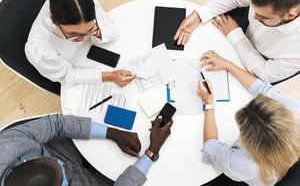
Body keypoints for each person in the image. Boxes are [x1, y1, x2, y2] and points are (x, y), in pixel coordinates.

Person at [196, 50, 300, 185]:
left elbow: (211, 148)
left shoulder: (246, 165)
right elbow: (262, 88)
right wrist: (228, 65)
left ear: (247, 140)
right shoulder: (294, 111)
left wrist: (208, 102)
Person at [0, 114, 173, 186]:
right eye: (63, 180)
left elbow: (57, 124)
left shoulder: (8, 145)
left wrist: (113, 132)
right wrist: (151, 152)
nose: (63, 167)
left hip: (63, 149)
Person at [175, 0, 300, 83]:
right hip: (239, 28)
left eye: (262, 16)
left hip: (258, 61)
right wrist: (199, 15)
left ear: (290, 15)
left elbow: (265, 73)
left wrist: (236, 35)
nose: (254, 16)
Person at [25, 0, 135, 87]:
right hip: (75, 68)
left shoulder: (82, 1)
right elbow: (68, 75)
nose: (82, 38)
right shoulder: (39, 49)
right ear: (52, 17)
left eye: (88, 29)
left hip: (93, 54)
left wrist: (96, 31)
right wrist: (110, 76)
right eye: (73, 34)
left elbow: (112, 31)